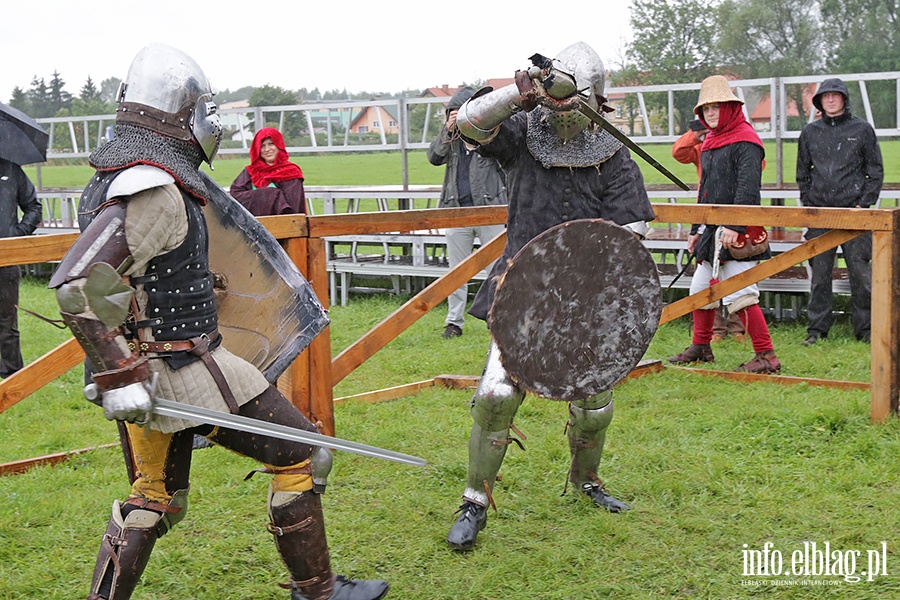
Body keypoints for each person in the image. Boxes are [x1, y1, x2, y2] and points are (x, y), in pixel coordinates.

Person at [50, 44, 387, 600]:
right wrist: (120, 375)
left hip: (152, 368)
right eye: (205, 112)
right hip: (186, 370)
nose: (214, 127)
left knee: (153, 498)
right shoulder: (152, 188)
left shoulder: (112, 179)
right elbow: (80, 286)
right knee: (304, 451)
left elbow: (125, 283)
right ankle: (320, 593)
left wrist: (131, 361)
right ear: (179, 117)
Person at [445, 41, 655, 551]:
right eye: (552, 100)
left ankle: (586, 481)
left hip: (589, 297)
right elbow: (467, 126)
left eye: (570, 100)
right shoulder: (521, 134)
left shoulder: (613, 155)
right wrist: (514, 96)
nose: (561, 112)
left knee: (594, 400)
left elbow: (631, 231)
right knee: (495, 398)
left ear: (592, 98)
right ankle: (474, 500)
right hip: (523, 288)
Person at [667, 75, 780, 374]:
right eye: (707, 109)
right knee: (699, 290)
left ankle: (766, 355)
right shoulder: (711, 143)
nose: (711, 113)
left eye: (717, 107)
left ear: (731, 108)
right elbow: (705, 191)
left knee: (741, 295)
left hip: (738, 230)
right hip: (711, 231)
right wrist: (695, 230)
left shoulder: (747, 141)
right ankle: (702, 347)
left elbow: (747, 189)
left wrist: (735, 225)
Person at [796, 78, 883, 345]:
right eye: (826, 96)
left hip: (854, 214)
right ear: (819, 102)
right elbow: (803, 173)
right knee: (820, 275)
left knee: (860, 274)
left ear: (844, 99)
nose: (831, 100)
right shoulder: (810, 133)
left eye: (836, 95)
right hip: (820, 214)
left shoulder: (863, 129)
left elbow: (875, 170)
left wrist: (863, 203)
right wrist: (811, 205)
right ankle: (817, 329)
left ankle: (866, 329)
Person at [427, 86, 508, 339]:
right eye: (454, 113)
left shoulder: (491, 134)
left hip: (490, 211)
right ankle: (454, 323)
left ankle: (499, 319)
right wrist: (448, 131)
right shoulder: (450, 139)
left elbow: (503, 155)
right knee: (457, 272)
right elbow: (433, 157)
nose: (458, 117)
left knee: (496, 270)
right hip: (456, 212)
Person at [671, 119, 747, 343]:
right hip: (706, 214)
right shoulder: (702, 145)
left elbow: (753, 167)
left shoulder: (738, 142)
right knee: (707, 270)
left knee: (735, 267)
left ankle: (737, 327)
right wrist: (697, 134)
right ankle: (715, 329)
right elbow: (678, 152)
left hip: (732, 210)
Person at [0, 158, 41, 378]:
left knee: (7, 320)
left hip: (6, 259)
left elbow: (33, 207)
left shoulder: (11, 170)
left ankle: (13, 375)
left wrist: (16, 235)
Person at [230, 127, 307, 216]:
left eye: (271, 144)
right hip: (254, 226)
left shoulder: (291, 172)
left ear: (279, 145)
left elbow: (293, 208)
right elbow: (235, 196)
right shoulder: (250, 171)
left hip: (285, 225)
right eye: (262, 146)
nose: (267, 149)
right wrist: (271, 194)